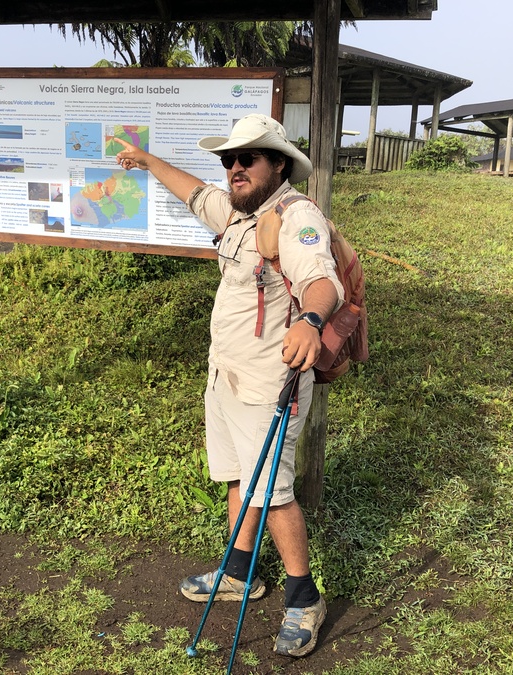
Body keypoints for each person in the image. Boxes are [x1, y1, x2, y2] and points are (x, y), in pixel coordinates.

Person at [114, 114, 343, 658]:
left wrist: (310, 322)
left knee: (275, 493)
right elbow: (194, 193)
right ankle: (239, 572)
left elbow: (320, 280)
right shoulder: (239, 213)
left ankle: (304, 596)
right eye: (229, 160)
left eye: (248, 159)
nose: (235, 169)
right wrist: (145, 161)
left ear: (277, 164)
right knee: (238, 476)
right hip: (225, 374)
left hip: (271, 382)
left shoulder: (297, 215)